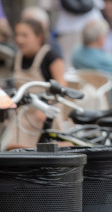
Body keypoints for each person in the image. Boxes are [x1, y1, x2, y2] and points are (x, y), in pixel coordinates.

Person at [0, 18, 68, 150]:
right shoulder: (17, 57)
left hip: (45, 115)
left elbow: (61, 85)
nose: (19, 40)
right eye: (17, 35)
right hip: (22, 117)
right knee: (12, 149)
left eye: (25, 35)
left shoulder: (50, 56)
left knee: (46, 151)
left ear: (39, 37)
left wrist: (47, 107)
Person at [38, 0, 105, 67]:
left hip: (70, 31)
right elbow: (100, 6)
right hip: (92, 27)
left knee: (68, 62)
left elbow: (45, 9)